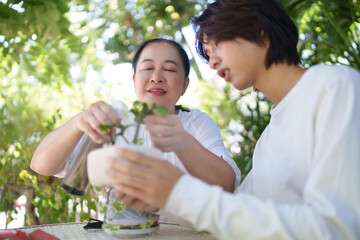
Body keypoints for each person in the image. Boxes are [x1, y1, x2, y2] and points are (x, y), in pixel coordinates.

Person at [106, 0, 360, 239]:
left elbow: (336, 228)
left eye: (216, 44)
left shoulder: (334, 88)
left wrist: (177, 191)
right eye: (207, 53)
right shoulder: (269, 138)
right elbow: (243, 214)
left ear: (260, 32)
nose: (212, 61)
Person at [30, 38, 240, 198]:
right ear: (134, 79)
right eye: (147, 68)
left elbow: (226, 185)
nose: (156, 77)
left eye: (169, 69)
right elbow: (42, 165)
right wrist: (78, 122)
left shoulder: (197, 123)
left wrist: (181, 141)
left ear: (185, 85)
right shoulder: (113, 123)